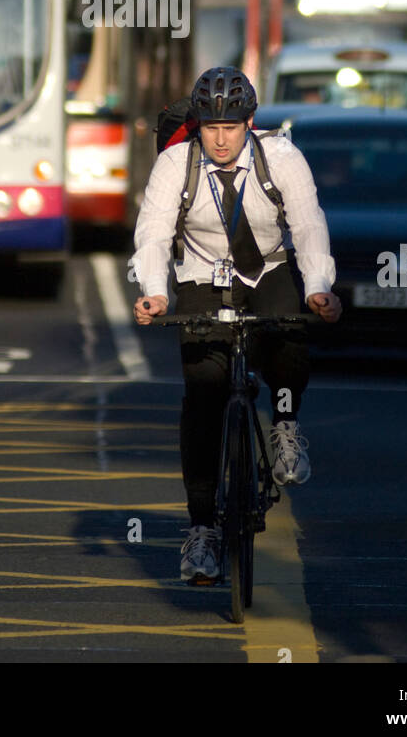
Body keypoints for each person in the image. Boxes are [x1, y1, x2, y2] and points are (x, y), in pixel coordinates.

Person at [129, 66, 341, 585]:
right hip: (203, 273)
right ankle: (202, 531)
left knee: (289, 340)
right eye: (210, 127)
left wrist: (318, 285)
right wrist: (154, 292)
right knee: (203, 391)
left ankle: (286, 427)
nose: (221, 139)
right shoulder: (176, 164)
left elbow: (309, 224)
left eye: (232, 127)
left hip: (266, 265)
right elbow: (154, 233)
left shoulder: (282, 157)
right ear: (198, 124)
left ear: (250, 121)